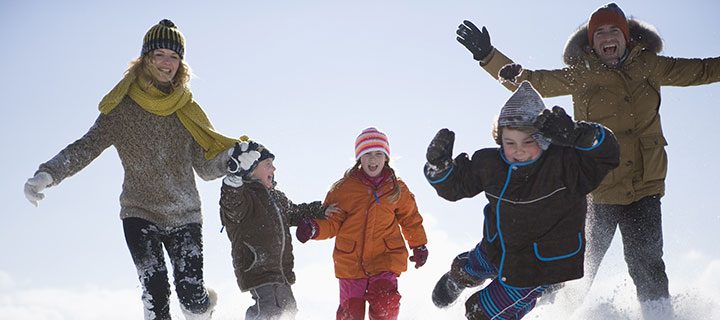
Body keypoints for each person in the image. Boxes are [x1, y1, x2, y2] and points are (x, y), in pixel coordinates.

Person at [455, 2, 720, 314]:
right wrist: (488, 56)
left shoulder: (649, 65)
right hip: (599, 193)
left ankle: (659, 315)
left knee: (647, 264)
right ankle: (552, 314)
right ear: (592, 42)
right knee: (572, 269)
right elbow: (531, 81)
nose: (607, 37)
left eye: (614, 30)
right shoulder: (582, 73)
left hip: (644, 188)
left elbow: (701, 69)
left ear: (626, 36)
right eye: (600, 33)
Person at [22, 19, 237, 319]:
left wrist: (232, 163)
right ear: (146, 58)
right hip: (140, 212)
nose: (167, 63)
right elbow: (86, 147)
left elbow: (203, 165)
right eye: (160, 54)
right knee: (156, 293)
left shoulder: (186, 109)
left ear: (181, 64)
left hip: (184, 214)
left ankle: (202, 306)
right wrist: (48, 174)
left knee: (192, 298)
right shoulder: (122, 109)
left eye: (174, 56)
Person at [425, 82, 619, 319]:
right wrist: (439, 168)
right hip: (497, 248)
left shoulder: (565, 165)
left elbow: (607, 154)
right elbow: (456, 186)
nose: (519, 151)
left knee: (482, 311)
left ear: (545, 139)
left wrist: (578, 134)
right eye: (510, 143)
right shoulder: (490, 163)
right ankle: (457, 280)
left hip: (539, 268)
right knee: (467, 267)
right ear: (500, 139)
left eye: (529, 142)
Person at [294, 127, 429, 320]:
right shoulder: (344, 189)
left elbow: (410, 219)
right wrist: (314, 228)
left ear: (386, 158)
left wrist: (419, 245)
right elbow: (332, 222)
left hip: (385, 258)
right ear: (359, 158)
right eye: (367, 155)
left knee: (385, 303)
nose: (373, 160)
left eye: (378, 154)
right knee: (351, 313)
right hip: (351, 263)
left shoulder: (397, 188)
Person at [219, 136, 340, 320]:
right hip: (258, 267)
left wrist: (321, 210)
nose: (274, 169)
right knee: (268, 310)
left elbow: (297, 212)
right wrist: (235, 177)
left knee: (289, 309)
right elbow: (231, 204)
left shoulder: (277, 198)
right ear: (252, 169)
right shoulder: (245, 196)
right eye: (268, 164)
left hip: (280, 271)